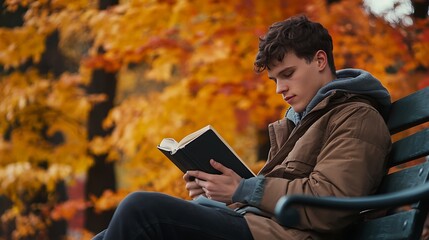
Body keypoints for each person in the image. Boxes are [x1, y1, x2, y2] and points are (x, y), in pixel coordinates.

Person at [92, 15, 392, 240]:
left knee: (141, 209)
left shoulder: (356, 117)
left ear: (320, 60)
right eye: (275, 80)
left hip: (286, 236)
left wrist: (242, 188)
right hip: (261, 226)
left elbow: (331, 204)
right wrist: (217, 192)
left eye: (288, 74)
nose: (280, 89)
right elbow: (270, 196)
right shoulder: (298, 122)